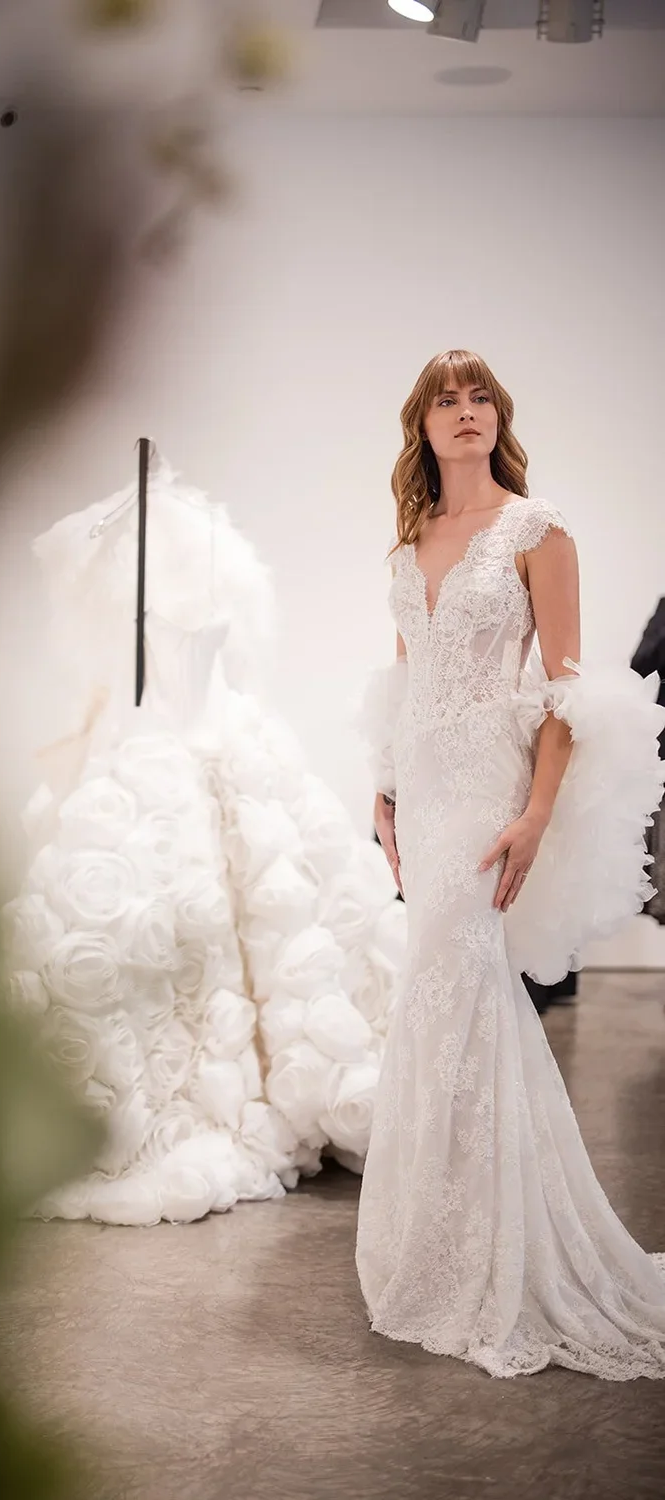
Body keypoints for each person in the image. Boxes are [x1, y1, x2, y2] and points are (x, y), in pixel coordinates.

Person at [354, 349, 665, 1379]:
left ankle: (510, 1251)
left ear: (499, 417)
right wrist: (384, 788)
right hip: (428, 794)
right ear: (421, 427)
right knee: (437, 996)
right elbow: (407, 681)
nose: (464, 412)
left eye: (478, 395)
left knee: (466, 983)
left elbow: (566, 691)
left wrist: (536, 815)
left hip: (491, 789)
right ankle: (444, 1238)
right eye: (444, 400)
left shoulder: (538, 532)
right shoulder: (408, 548)